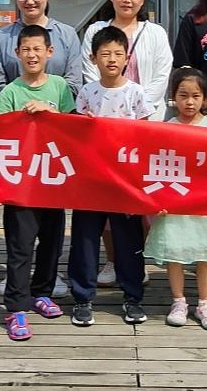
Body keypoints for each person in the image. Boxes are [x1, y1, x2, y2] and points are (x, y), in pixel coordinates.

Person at [0, 0, 79, 299]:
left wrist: (49, 112)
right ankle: (17, 287)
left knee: (52, 228)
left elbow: (73, 87)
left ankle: (45, 283)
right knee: (20, 230)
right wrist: (23, 114)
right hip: (19, 151)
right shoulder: (2, 38)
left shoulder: (67, 35)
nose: (29, 0)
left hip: (53, 153)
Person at [80, 0, 173, 287]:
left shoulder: (155, 33)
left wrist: (135, 108)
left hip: (144, 127)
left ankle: (136, 258)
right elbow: (89, 74)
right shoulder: (97, 30)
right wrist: (111, 108)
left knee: (139, 197)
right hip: (102, 130)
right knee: (105, 198)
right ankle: (111, 260)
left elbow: (162, 75)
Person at [67, 26, 155, 328]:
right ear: (93, 58)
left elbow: (146, 135)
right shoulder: (87, 92)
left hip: (124, 180)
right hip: (91, 179)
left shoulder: (136, 92)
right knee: (85, 239)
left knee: (129, 239)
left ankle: (132, 296)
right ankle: (82, 298)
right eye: (105, 54)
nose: (112, 59)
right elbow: (77, 133)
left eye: (118, 53)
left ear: (128, 57)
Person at [145, 67, 207, 331]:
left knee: (205, 254)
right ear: (173, 97)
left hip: (205, 202)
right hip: (175, 201)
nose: (189, 102)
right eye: (183, 95)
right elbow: (158, 166)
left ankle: (205, 303)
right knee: (175, 252)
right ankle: (179, 301)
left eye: (196, 96)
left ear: (205, 98)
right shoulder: (167, 128)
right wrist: (158, 200)